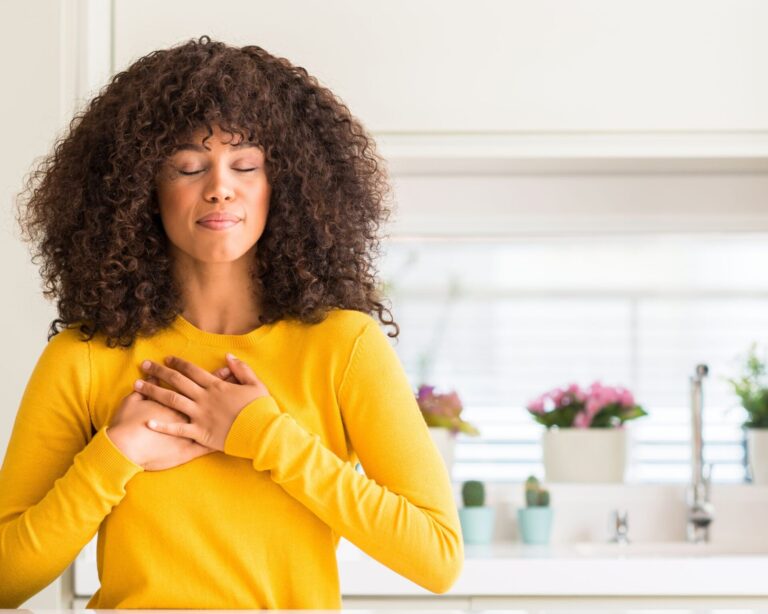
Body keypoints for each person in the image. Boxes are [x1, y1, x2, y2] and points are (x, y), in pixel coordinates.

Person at [0, 36, 463, 608]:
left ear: (283, 185)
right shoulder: (86, 356)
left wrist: (264, 436)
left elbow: (437, 556)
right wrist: (116, 453)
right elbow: (8, 579)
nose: (219, 188)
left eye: (245, 165)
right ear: (140, 189)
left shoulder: (346, 347)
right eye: (189, 167)